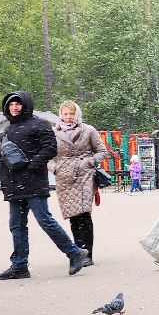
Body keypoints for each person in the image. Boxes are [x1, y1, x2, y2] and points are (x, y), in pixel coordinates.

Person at [0, 90, 88, 280]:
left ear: (25, 105)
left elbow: (50, 148)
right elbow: (3, 157)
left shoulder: (40, 125)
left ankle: (74, 252)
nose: (14, 107)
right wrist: (2, 179)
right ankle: (19, 265)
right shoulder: (8, 130)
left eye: (18, 104)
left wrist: (31, 166)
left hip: (33, 182)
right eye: (11, 104)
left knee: (45, 220)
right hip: (14, 185)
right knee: (16, 225)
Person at [51, 100, 109, 266]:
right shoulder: (54, 132)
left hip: (84, 175)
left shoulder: (88, 130)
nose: (69, 117)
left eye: (72, 113)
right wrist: (55, 168)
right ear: (61, 115)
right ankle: (78, 251)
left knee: (84, 214)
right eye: (66, 114)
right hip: (64, 177)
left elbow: (102, 151)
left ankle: (87, 254)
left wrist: (90, 162)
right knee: (73, 216)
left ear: (77, 114)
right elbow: (48, 154)